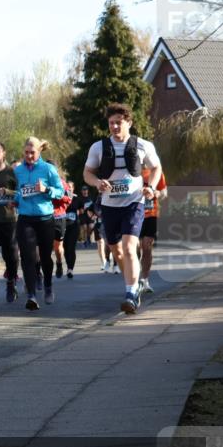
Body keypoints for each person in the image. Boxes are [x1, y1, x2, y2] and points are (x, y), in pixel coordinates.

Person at [83, 103, 162, 313]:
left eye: (119, 123)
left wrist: (150, 187)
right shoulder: (98, 147)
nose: (115, 127)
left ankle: (130, 294)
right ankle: (132, 284)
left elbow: (156, 168)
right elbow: (87, 172)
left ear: (129, 123)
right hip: (109, 206)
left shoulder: (143, 145)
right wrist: (97, 182)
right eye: (111, 123)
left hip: (133, 203)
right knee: (117, 251)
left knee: (129, 248)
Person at [13, 137, 64, 310]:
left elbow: (60, 192)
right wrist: (12, 199)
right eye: (26, 152)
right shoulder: (18, 170)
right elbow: (18, 192)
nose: (29, 155)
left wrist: (46, 190)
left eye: (32, 152)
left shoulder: (48, 169)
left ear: (39, 151)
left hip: (45, 219)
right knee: (27, 257)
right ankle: (31, 295)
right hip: (25, 218)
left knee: (44, 257)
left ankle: (48, 285)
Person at [0, 141, 20, 302]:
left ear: (3, 153)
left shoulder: (12, 172)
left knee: (11, 254)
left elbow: (21, 192)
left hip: (9, 219)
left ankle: (11, 281)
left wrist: (8, 192)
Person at [138, 165, 167, 294]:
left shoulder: (156, 171)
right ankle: (134, 278)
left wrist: (158, 193)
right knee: (134, 248)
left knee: (147, 246)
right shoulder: (130, 170)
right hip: (134, 214)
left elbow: (164, 191)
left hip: (151, 215)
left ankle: (144, 280)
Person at [49, 167, 73, 279]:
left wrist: (55, 194)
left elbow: (69, 199)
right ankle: (42, 271)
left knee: (57, 247)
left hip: (58, 217)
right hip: (43, 217)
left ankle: (59, 262)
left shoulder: (62, 183)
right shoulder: (39, 181)